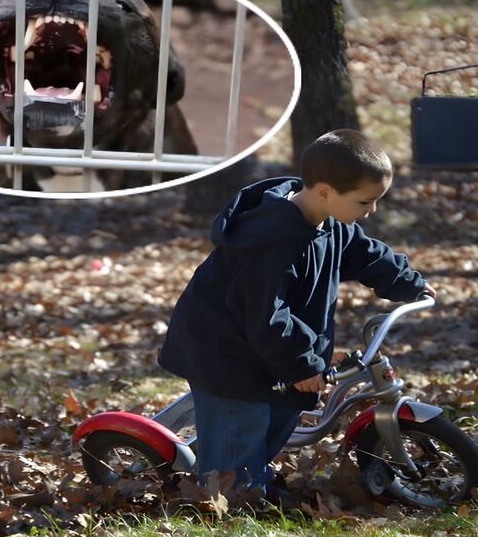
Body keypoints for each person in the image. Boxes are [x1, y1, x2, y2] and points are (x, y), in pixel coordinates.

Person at [158, 129, 435, 492]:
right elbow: (264, 313)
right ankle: (231, 497)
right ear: (325, 191)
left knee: (282, 413)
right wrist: (301, 363)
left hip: (266, 350)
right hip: (226, 353)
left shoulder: (331, 221)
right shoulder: (269, 243)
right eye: (365, 202)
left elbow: (365, 254)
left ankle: (252, 475)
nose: (372, 211)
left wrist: (408, 283)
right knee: (241, 425)